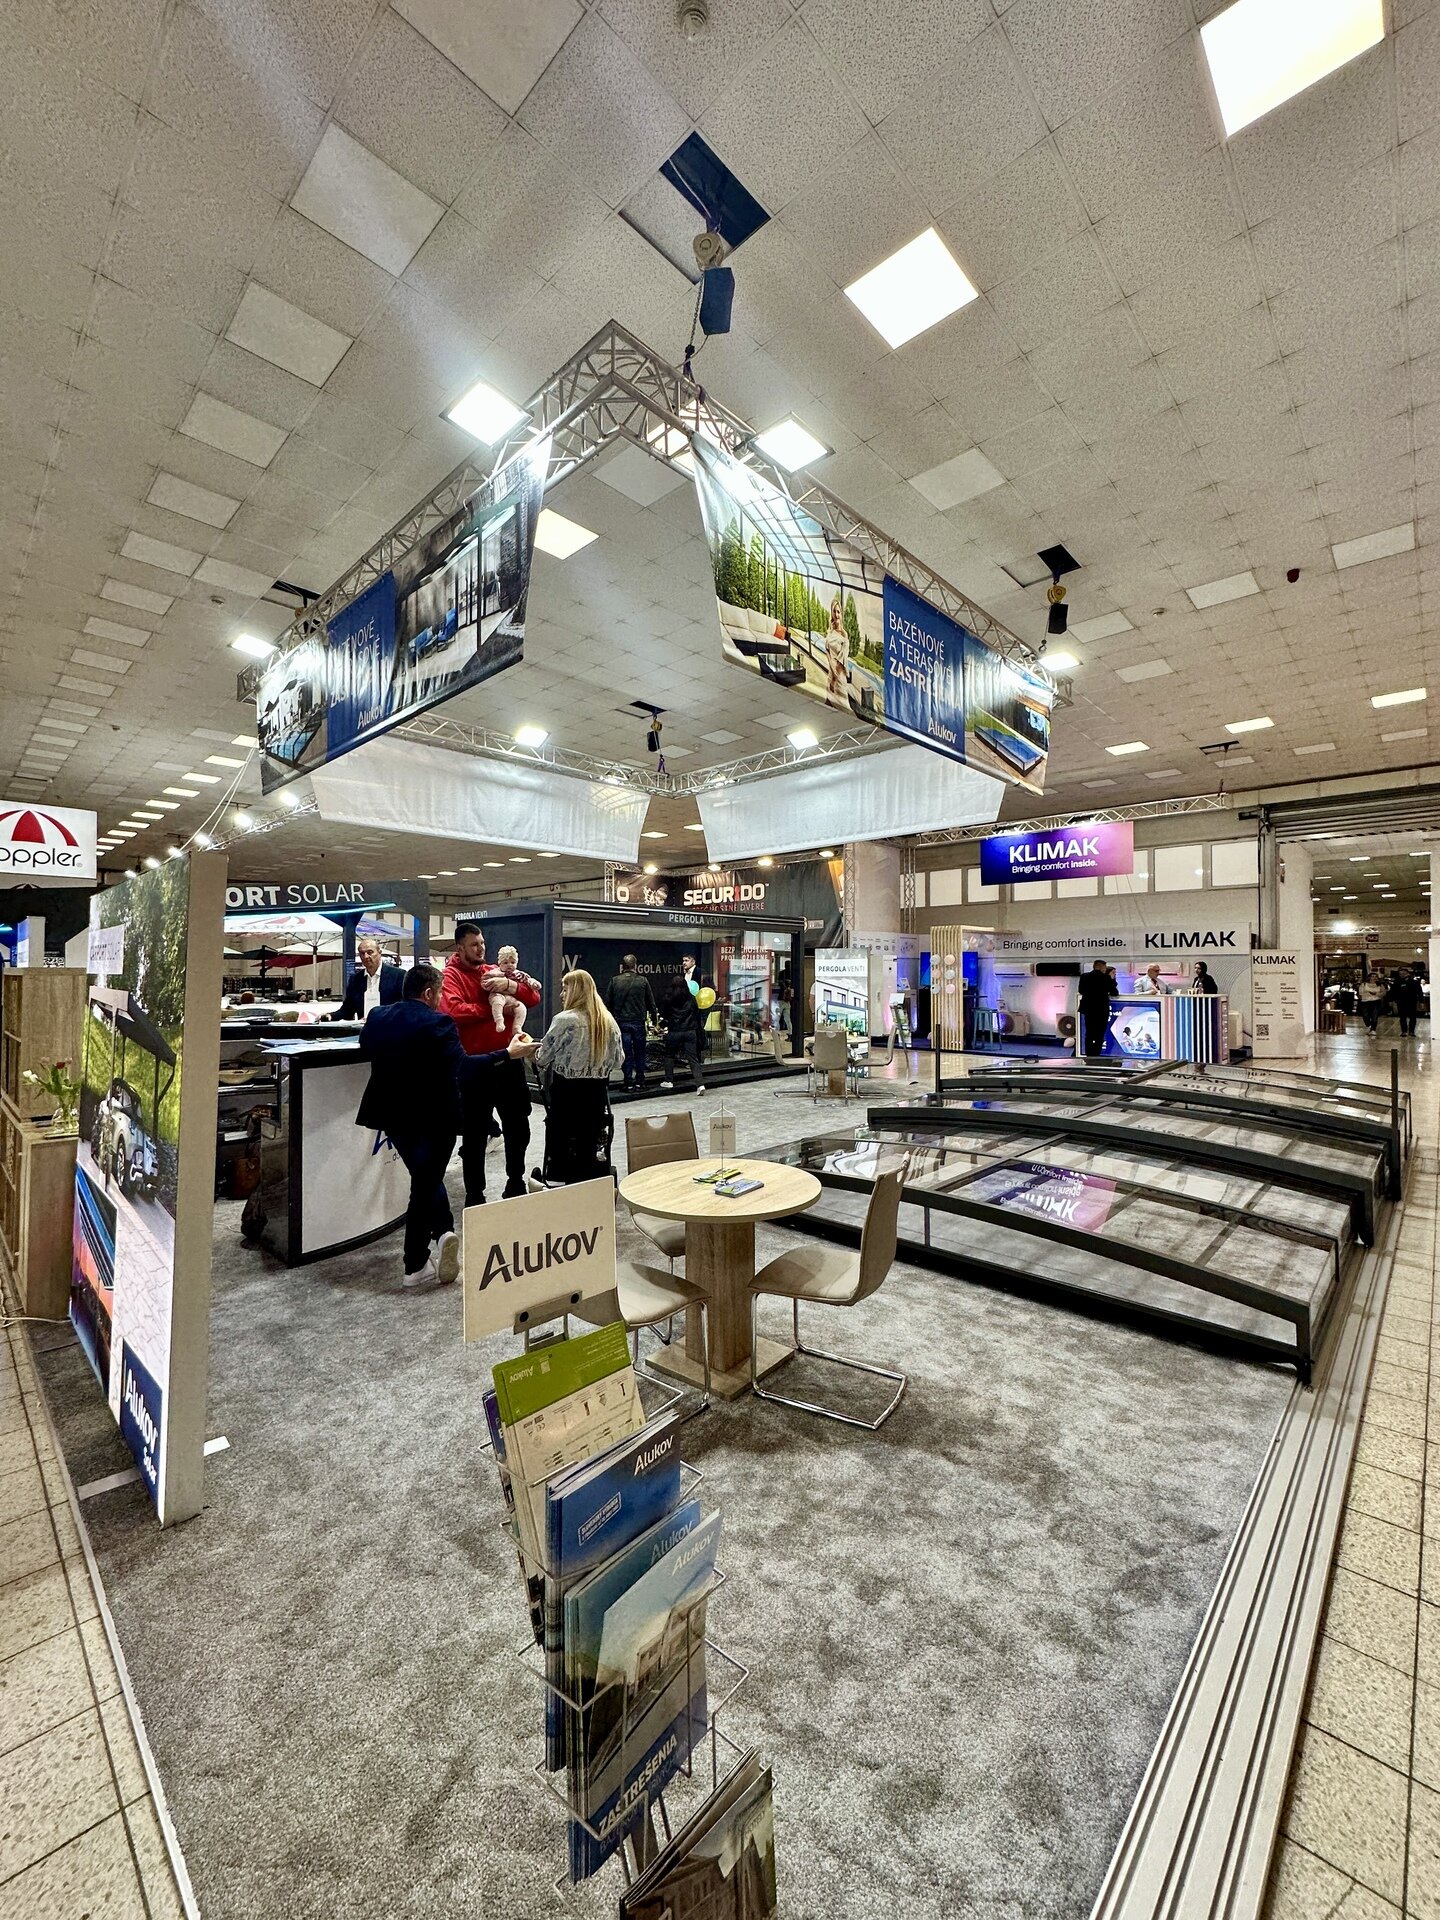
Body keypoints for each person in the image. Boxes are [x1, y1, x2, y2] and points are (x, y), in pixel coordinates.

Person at [355, 963, 534, 1285]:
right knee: (424, 1185)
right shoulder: (439, 1023)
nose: (440, 999)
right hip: (434, 1117)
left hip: (391, 1115)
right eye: (438, 993)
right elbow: (464, 1067)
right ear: (428, 993)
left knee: (425, 1177)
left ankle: (444, 1231)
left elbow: (365, 1047)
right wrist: (508, 1054)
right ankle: (414, 1265)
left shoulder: (378, 1016)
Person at [441, 921, 542, 1204]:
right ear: (460, 948)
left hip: (509, 1062)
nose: (481, 948)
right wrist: (495, 1008)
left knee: (518, 1128)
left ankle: (515, 1182)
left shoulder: (493, 971)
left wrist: (510, 986)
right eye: (474, 945)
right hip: (475, 1067)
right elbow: (453, 1011)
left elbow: (533, 997)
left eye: (482, 943)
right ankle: (475, 1195)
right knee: (474, 1136)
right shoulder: (450, 976)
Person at [535, 969, 624, 1183]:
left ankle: (558, 1176)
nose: (562, 994)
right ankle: (587, 1179)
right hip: (597, 1093)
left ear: (575, 991)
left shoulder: (564, 1020)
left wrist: (533, 1050)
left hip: (566, 1092)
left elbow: (543, 1058)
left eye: (565, 989)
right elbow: (618, 1060)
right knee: (589, 1137)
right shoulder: (608, 1021)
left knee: (560, 1134)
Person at [605, 954, 659, 1091]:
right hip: (638, 1022)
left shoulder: (614, 981)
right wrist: (655, 1020)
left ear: (622, 966)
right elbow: (651, 1003)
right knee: (640, 1052)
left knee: (626, 1053)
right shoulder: (643, 981)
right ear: (635, 966)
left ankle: (628, 1082)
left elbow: (608, 1003)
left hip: (621, 1022)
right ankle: (640, 1081)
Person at [657, 967, 706, 1093]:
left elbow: (665, 1015)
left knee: (669, 1055)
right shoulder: (691, 998)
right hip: (690, 1031)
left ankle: (668, 1081)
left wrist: (661, 1026)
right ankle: (700, 1084)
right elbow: (697, 1014)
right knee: (693, 1059)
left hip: (674, 1031)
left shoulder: (668, 998)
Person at [332, 936, 403, 1020]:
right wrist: (330, 1016)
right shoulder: (356, 980)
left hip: (390, 1025)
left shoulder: (399, 976)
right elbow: (347, 1010)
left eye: (370, 952)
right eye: (362, 953)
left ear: (379, 953)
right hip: (364, 1027)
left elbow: (405, 1006)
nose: (366, 956)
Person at [479, 943, 538, 1038]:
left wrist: (533, 983)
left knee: (521, 1007)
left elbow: (529, 982)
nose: (509, 965)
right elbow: (485, 981)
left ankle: (517, 1027)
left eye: (512, 962)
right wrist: (491, 984)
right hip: (498, 995)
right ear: (500, 963)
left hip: (512, 999)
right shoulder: (495, 972)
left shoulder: (519, 974)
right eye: (505, 963)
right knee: (497, 1002)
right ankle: (499, 1020)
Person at [1077, 959, 1114, 1058]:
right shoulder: (1106, 977)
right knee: (1099, 1034)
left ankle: (1089, 1055)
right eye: (1104, 967)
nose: (1105, 969)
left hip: (1088, 1009)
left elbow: (1081, 990)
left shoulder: (1084, 976)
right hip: (1101, 1010)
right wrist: (1112, 980)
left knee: (1089, 1033)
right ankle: (1096, 1055)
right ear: (1101, 967)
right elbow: (1114, 992)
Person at [1394, 967, 1424, 1037]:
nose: (1402, 975)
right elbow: (1393, 992)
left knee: (1413, 1017)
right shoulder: (1397, 982)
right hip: (1401, 1002)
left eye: (1404, 973)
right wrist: (1392, 1000)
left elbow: (1420, 992)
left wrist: (1421, 1002)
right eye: (1400, 974)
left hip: (1412, 1002)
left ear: (1408, 974)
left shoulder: (1414, 982)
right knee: (1402, 1017)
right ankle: (1404, 1031)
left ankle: (1411, 1031)